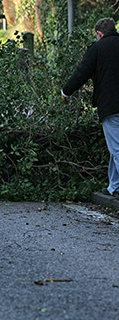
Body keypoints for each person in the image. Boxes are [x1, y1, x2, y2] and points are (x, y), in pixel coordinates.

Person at [61, 17, 119, 197]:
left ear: (99, 33)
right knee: (115, 148)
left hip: (111, 106)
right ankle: (114, 186)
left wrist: (66, 92)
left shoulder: (97, 49)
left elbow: (81, 73)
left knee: (116, 148)